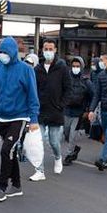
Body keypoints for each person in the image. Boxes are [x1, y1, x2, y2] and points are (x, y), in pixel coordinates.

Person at [0, 37, 40, 202]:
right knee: (10, 151)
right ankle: (17, 185)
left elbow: (33, 96)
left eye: (6, 52)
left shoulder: (26, 70)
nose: (3, 55)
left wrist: (33, 119)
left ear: (13, 52)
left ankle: (1, 187)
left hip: (20, 117)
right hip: (3, 118)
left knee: (6, 150)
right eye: (1, 52)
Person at [31, 38, 70, 181]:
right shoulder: (37, 69)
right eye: (45, 49)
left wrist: (61, 104)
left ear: (55, 50)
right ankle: (39, 171)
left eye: (50, 49)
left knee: (54, 141)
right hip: (40, 111)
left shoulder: (62, 68)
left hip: (55, 111)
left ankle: (58, 157)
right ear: (42, 50)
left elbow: (68, 89)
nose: (48, 52)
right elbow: (32, 89)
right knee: (38, 141)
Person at [62, 56, 92, 166]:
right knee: (66, 133)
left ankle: (69, 155)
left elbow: (93, 96)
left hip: (78, 113)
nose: (75, 68)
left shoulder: (86, 82)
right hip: (66, 111)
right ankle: (75, 148)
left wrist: (88, 110)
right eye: (73, 66)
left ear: (82, 67)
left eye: (78, 66)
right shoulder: (66, 79)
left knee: (72, 135)